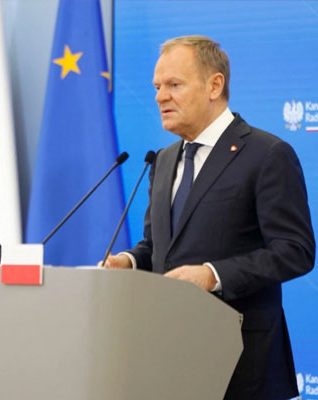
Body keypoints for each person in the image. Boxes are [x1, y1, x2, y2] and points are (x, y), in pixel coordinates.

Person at [104, 35, 315, 399]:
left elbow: (295, 250)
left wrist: (212, 275)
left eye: (174, 85)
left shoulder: (266, 154)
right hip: (169, 354)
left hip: (241, 359)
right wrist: (129, 262)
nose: (159, 96)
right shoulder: (165, 159)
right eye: (157, 86)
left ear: (214, 85)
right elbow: (158, 246)